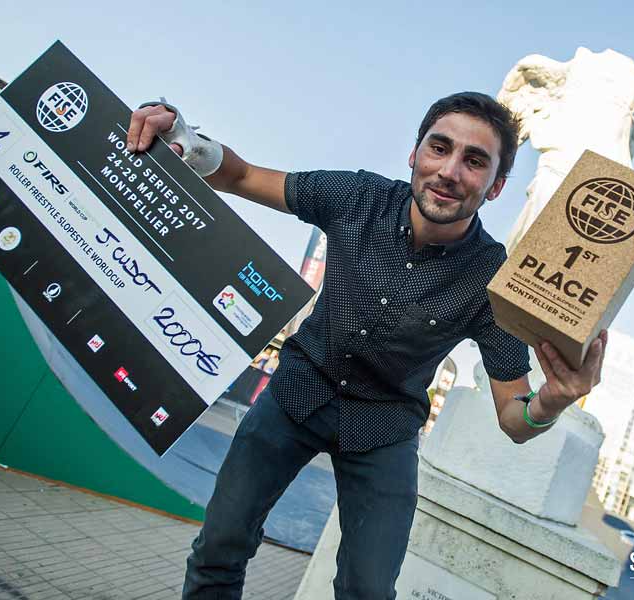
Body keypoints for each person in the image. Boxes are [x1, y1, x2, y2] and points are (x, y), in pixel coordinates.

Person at [127, 91, 608, 599]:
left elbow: (514, 417)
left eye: (474, 161)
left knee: (369, 591)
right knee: (220, 545)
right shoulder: (359, 197)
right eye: (439, 148)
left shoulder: (493, 277)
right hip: (297, 391)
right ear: (414, 155)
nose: (449, 171)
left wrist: (552, 401)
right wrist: (182, 136)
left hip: (385, 427)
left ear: (495, 187)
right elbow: (242, 176)